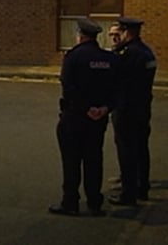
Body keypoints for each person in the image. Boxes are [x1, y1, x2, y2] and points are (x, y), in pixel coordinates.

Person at [49, 18, 118, 217]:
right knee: (94, 159)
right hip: (98, 120)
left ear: (80, 35)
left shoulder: (73, 57)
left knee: (71, 162)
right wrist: (105, 108)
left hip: (75, 118)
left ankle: (70, 202)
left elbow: (69, 88)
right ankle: (95, 202)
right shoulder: (109, 59)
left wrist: (86, 108)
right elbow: (117, 88)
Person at [108, 17, 157, 206]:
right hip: (143, 107)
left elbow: (117, 79)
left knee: (126, 151)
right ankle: (142, 187)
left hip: (126, 108)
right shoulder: (147, 53)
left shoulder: (128, 54)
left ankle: (128, 193)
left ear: (126, 32)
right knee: (141, 149)